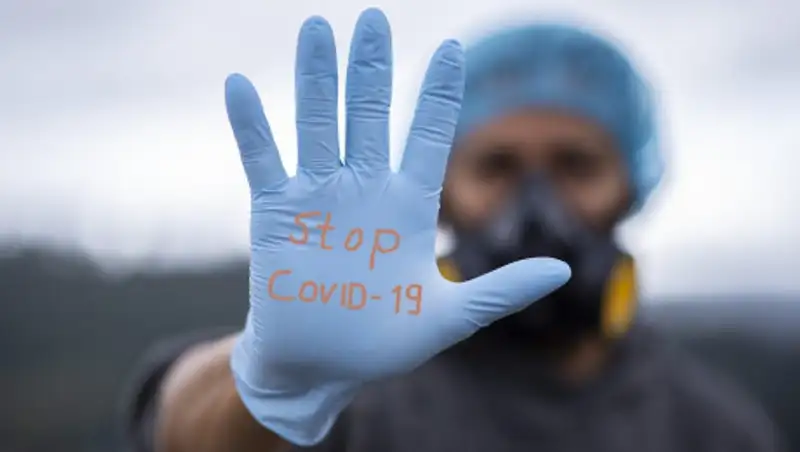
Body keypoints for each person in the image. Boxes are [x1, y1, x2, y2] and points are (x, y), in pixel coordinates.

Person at [124, 8, 783, 452]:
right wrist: (274, 383)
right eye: (496, 166)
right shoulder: (365, 387)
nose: (536, 205)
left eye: (575, 165)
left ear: (630, 188)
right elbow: (180, 434)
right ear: (439, 194)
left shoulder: (716, 429)